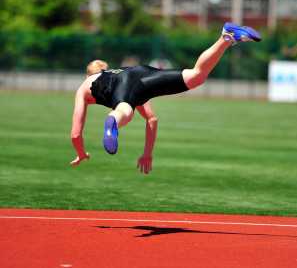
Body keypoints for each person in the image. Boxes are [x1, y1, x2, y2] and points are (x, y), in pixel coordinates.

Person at [70, 22, 261, 174]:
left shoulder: (85, 86)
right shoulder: (115, 72)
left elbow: (76, 134)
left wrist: (81, 154)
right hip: (139, 73)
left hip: (125, 90)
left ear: (88, 75)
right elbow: (151, 119)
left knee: (124, 111)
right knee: (196, 76)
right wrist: (147, 153)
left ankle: (113, 121)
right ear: (106, 69)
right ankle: (226, 37)